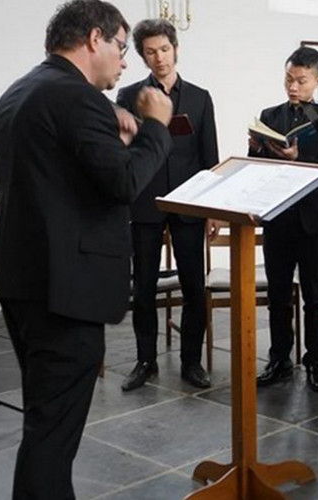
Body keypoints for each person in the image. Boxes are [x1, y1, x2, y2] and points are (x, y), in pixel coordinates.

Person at [0, 1, 173, 497]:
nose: (125, 61)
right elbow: (123, 183)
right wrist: (155, 127)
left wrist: (109, 124)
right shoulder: (77, 100)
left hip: (23, 282)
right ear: (94, 38)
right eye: (119, 46)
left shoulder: (21, 91)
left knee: (45, 424)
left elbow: (64, 178)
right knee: (52, 436)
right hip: (65, 292)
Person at [116, 18, 218, 391]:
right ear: (142, 56)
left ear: (176, 49)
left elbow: (210, 157)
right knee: (143, 287)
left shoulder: (200, 97)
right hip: (145, 201)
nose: (159, 58)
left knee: (194, 286)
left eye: (164, 49)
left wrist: (212, 210)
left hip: (190, 202)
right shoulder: (128, 96)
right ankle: (145, 362)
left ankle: (192, 361)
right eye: (150, 52)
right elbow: (121, 151)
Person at [249, 46, 318, 393]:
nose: (293, 86)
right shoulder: (269, 115)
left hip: (312, 218)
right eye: (289, 78)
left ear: (317, 80)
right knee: (278, 294)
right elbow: (256, 166)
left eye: (301, 80)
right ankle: (279, 359)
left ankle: (314, 361)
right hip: (278, 216)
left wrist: (299, 156)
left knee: (315, 295)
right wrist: (257, 148)